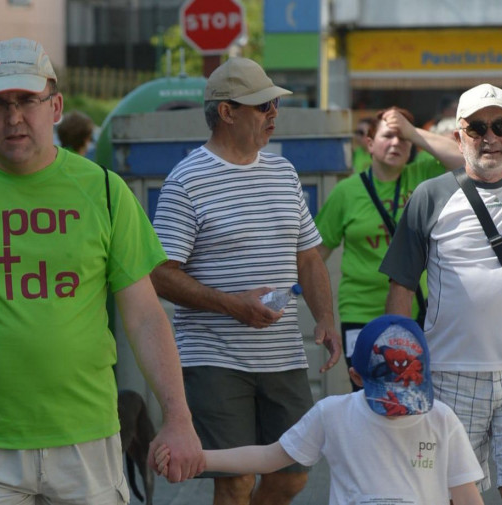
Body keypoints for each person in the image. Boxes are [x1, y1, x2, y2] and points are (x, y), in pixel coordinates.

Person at [0, 37, 204, 503]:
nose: (13, 116)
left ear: (55, 106)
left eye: (26, 100)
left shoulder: (104, 190)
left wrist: (178, 417)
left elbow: (144, 316)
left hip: (86, 440)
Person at [150, 56, 342, 505]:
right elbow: (160, 275)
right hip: (214, 360)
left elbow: (309, 257)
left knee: (293, 474)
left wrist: (325, 320)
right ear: (227, 111)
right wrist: (234, 305)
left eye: (274, 105)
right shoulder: (186, 181)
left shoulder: (283, 172)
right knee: (234, 482)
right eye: (262, 106)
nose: (273, 114)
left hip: (282, 358)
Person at [154, 315, 485, 505]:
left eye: (410, 391)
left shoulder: (441, 419)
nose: (401, 410)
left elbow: (466, 493)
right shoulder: (333, 413)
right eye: (389, 397)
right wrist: (199, 458)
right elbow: (271, 456)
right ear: (355, 377)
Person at [381, 83, 502, 503]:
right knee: (452, 494)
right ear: (459, 136)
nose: (490, 138)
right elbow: (401, 286)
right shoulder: (430, 196)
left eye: (500, 126)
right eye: (477, 127)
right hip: (448, 375)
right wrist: (399, 365)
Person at [314, 106, 463, 387]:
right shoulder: (346, 193)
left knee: (413, 393)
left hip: (417, 311)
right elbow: (316, 255)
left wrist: (413, 132)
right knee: (368, 391)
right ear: (369, 144)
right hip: (360, 314)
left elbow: (465, 158)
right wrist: (320, 313)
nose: (396, 143)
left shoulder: (423, 177)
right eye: (388, 136)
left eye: (402, 138)